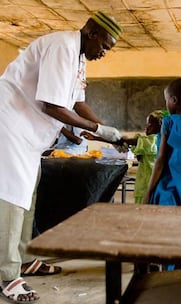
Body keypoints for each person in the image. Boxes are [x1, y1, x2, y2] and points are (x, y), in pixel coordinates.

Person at [0, 11, 123, 303]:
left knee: (28, 193)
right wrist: (98, 128)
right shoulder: (62, 46)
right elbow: (52, 105)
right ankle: (7, 274)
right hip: (11, 124)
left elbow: (76, 101)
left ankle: (26, 258)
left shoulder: (79, 57)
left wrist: (102, 131)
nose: (103, 53)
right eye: (104, 46)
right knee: (13, 196)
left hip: (30, 134)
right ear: (92, 32)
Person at [142, 78, 181, 207]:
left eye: (166, 100)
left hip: (169, 189)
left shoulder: (168, 122)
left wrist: (148, 192)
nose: (166, 104)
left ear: (174, 100)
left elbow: (160, 160)